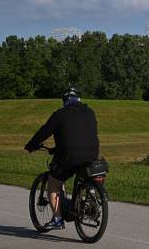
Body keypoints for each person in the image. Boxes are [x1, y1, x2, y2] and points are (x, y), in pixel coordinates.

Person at [24, 88, 100, 231]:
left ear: (65, 101)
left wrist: (31, 145)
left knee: (53, 183)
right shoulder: (90, 112)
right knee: (84, 176)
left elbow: (44, 131)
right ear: (79, 99)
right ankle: (89, 199)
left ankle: (58, 219)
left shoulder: (59, 114)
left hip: (69, 156)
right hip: (93, 155)